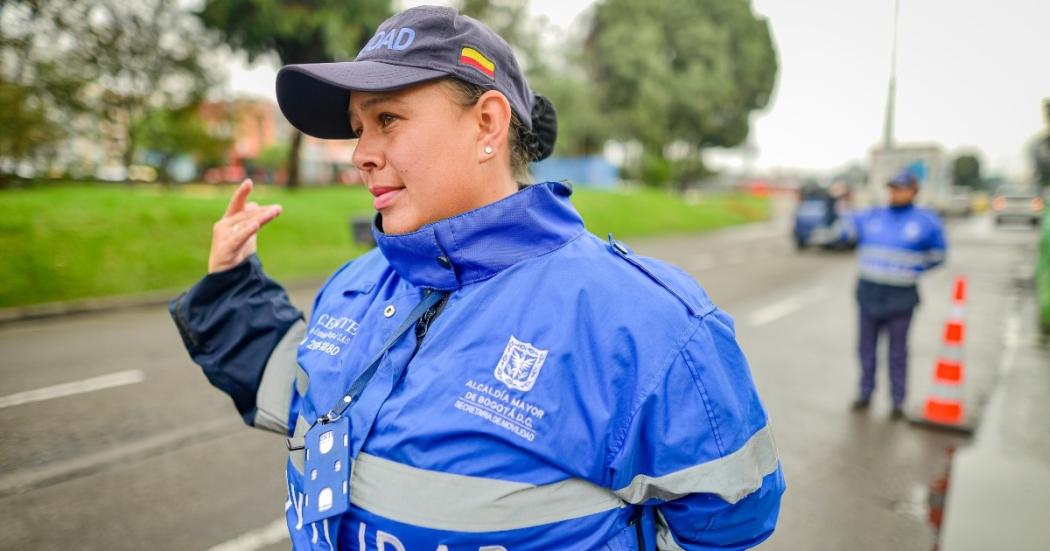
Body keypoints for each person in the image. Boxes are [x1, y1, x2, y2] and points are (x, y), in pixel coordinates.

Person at [170, 6, 784, 549]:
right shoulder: (356, 284)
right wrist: (232, 289)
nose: (361, 153)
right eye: (359, 129)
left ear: (488, 124)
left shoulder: (641, 322)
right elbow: (300, 399)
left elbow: (731, 518)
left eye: (388, 119)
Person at [847, 170, 947, 419]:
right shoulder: (873, 215)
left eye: (900, 188)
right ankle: (865, 392)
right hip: (869, 294)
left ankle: (898, 401)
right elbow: (845, 227)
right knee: (866, 349)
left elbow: (938, 255)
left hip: (901, 297)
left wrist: (912, 269)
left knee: (898, 352)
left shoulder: (926, 221)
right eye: (892, 188)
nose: (895, 193)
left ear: (913, 191)